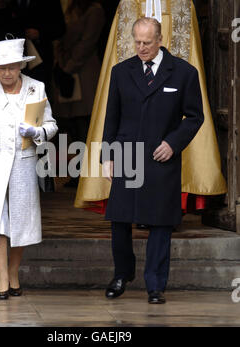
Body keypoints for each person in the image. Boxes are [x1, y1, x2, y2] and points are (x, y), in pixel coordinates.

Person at [74, 0, 226, 215]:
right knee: (122, 218)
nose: (142, 46)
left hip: (169, 109)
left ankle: (175, 205)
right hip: (132, 119)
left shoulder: (183, 4)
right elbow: (113, 111)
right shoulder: (127, 5)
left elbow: (193, 107)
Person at [101, 17, 204, 304]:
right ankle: (122, 274)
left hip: (161, 158)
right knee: (119, 219)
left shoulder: (184, 73)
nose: (141, 47)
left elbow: (195, 116)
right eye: (137, 42)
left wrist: (173, 143)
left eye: (147, 42)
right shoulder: (121, 72)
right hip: (126, 154)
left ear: (160, 39)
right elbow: (112, 117)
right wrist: (107, 156)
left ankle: (155, 285)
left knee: (161, 222)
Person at [0, 38, 58, 299]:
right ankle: (3, 278)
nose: (6, 73)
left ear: (20, 67)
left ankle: (14, 273)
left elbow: (51, 125)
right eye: (2, 68)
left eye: (12, 67)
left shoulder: (36, 89)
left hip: (23, 163)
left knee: (20, 223)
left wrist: (36, 131)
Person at [53, 0, 105, 187]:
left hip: (83, 71)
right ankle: (79, 170)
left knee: (85, 123)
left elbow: (88, 41)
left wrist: (69, 66)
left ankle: (89, 171)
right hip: (67, 69)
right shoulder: (70, 9)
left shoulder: (94, 10)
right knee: (72, 125)